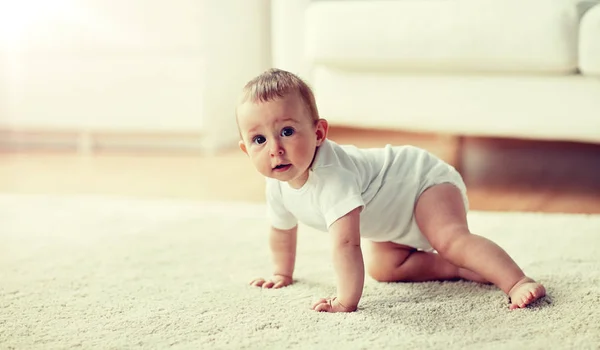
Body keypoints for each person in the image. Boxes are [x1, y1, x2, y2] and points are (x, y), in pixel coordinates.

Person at [236, 68, 546, 313]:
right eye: (259, 140)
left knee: (450, 239)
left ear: (319, 133)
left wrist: (346, 301)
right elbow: (281, 231)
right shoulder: (277, 184)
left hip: (419, 182)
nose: (275, 149)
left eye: (287, 132)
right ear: (245, 150)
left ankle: (516, 280)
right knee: (384, 267)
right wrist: (282, 273)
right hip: (390, 215)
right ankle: (459, 269)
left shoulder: (332, 176)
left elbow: (346, 245)